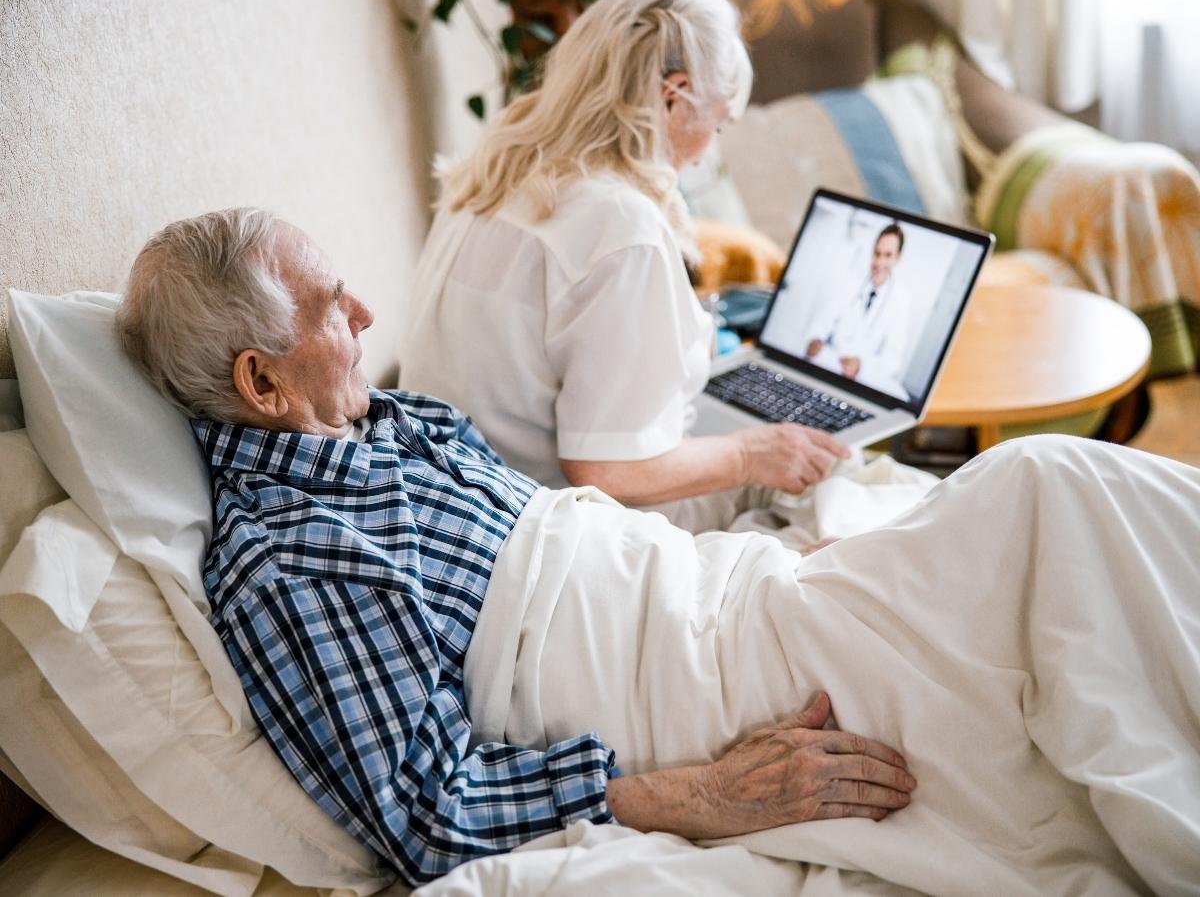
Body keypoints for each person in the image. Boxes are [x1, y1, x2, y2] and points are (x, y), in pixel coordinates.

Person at [117, 209, 1200, 893]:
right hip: (671, 683)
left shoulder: (382, 422)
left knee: (1047, 501)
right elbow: (428, 806)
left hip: (713, 596)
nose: (363, 310)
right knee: (1043, 494)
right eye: (329, 309)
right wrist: (702, 795)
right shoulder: (287, 558)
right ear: (262, 383)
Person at [398, 0, 852, 524]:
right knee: (845, 485)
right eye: (718, 125)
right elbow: (608, 472)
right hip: (554, 525)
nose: (706, 155)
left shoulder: (503, 163)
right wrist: (749, 454)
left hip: (450, 490)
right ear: (673, 96)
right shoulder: (621, 227)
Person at [805, 223, 912, 395]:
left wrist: (861, 366)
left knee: (901, 396)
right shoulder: (850, 280)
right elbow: (822, 322)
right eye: (876, 254)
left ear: (897, 258)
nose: (879, 262)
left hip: (866, 375)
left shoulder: (901, 299)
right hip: (833, 360)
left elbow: (893, 359)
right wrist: (816, 338)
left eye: (887, 255)